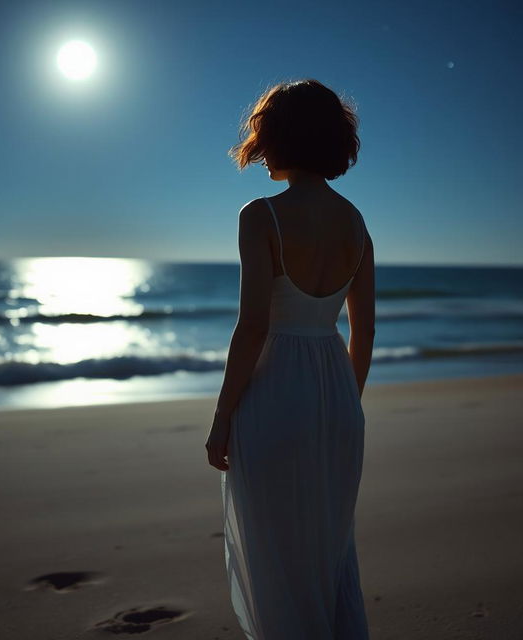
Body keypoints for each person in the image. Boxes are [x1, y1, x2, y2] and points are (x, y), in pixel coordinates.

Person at [205, 78, 375, 640]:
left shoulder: (261, 215)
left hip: (276, 392)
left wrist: (222, 417)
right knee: (327, 552)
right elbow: (364, 328)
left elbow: (253, 326)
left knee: (276, 554)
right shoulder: (356, 223)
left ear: (276, 136)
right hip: (338, 396)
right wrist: (345, 404)